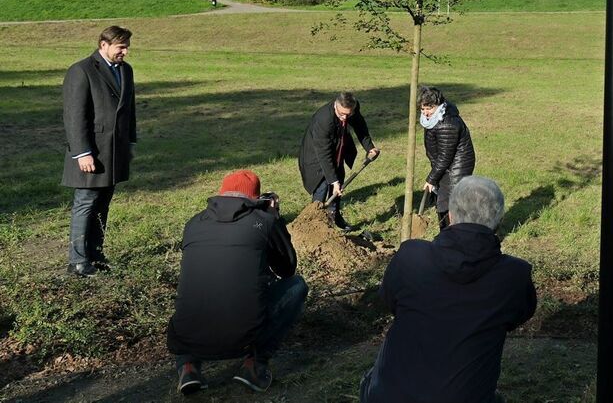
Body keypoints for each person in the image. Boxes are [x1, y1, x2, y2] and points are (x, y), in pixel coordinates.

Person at [360, 175, 536, 403]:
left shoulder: (410, 257)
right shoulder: (515, 275)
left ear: (450, 216)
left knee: (370, 379)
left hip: (388, 397)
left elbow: (389, 302)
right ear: (499, 220)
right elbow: (518, 316)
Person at [167, 170, 308, 395]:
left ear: (221, 194)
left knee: (197, 289)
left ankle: (188, 366)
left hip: (187, 336)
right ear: (255, 199)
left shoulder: (193, 223)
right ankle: (255, 364)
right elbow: (286, 269)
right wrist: (275, 218)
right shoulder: (263, 221)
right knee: (297, 285)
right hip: (243, 336)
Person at [62, 25, 136, 277]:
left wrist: (130, 144)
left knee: (103, 205)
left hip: (114, 152)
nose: (125, 52)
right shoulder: (81, 71)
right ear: (103, 45)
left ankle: (96, 255)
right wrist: (82, 152)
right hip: (91, 153)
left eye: (127, 47)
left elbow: (130, 111)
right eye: (120, 47)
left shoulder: (126, 70)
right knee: (85, 203)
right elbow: (75, 116)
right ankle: (77, 262)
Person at [298, 91, 380, 230]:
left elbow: (360, 126)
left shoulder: (351, 109)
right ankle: (315, 226)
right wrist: (333, 181)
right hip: (316, 156)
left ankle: (334, 217)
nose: (344, 118)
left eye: (348, 115)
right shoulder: (324, 119)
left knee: (338, 185)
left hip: (337, 152)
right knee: (322, 187)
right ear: (336, 105)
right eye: (341, 114)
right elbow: (324, 154)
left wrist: (369, 147)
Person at [419, 86, 475, 230]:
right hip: (446, 164)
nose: (425, 113)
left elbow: (445, 156)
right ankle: (448, 235)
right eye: (423, 109)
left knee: (449, 202)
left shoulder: (447, 124)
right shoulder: (434, 118)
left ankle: (453, 236)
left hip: (457, 167)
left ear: (438, 105)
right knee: (444, 201)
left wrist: (431, 179)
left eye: (429, 108)